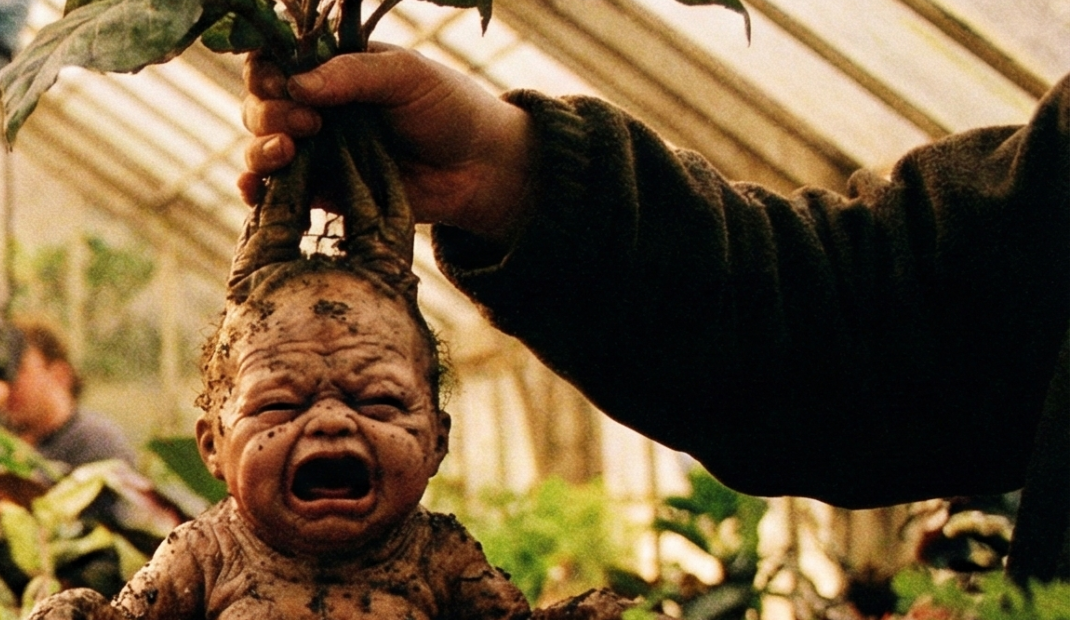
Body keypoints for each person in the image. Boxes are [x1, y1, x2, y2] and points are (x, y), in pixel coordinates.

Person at [237, 48, 1070, 580]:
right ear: (212, 434)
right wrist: (509, 173)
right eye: (277, 403)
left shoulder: (437, 564)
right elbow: (872, 317)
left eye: (382, 399)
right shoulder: (215, 559)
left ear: (440, 431)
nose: (333, 426)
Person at [0, 317, 141, 469]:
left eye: (19, 371)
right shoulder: (5, 446)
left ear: (60, 376)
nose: (3, 390)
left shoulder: (97, 446)